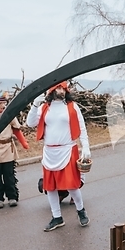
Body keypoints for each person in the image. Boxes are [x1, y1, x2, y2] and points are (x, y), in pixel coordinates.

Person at [26, 81, 91, 231]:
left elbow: (81, 127)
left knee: (72, 184)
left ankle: (81, 211)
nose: (61, 90)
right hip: (50, 152)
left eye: (63, 87)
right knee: (50, 187)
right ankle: (57, 217)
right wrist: (35, 105)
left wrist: (85, 146)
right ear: (51, 89)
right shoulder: (44, 108)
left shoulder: (72, 106)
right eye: (58, 87)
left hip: (68, 150)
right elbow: (30, 123)